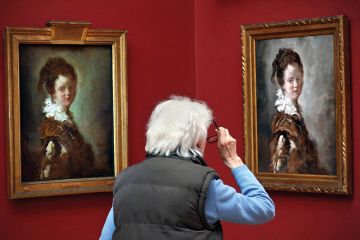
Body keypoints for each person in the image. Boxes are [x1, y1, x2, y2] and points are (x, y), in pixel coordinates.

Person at [100, 96, 275, 239]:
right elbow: (264, 208)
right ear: (198, 140)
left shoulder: (125, 180)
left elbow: (106, 238)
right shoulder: (204, 186)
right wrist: (234, 160)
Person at [269, 48, 326, 174]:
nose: (296, 84)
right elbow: (278, 170)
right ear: (282, 84)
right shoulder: (284, 123)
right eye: (290, 80)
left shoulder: (296, 114)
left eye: (298, 78)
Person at [37, 57, 94, 180]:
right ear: (52, 92)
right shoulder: (51, 129)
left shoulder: (67, 122)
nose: (68, 93)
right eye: (62, 89)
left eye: (71, 87)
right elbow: (49, 174)